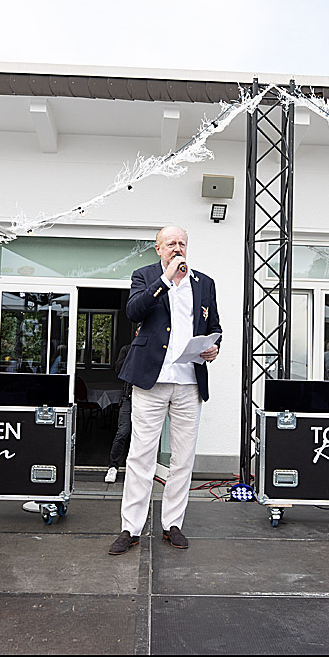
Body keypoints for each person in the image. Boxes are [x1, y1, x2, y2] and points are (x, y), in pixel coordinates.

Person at [108, 226, 221, 555]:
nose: (177, 247)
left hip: (189, 382)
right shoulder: (144, 276)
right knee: (141, 456)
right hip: (151, 379)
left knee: (183, 459)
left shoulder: (204, 283)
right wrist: (166, 281)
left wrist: (214, 347)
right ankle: (130, 528)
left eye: (182, 242)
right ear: (158, 249)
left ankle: (173, 524)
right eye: (171, 243)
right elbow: (133, 311)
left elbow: (214, 326)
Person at [104, 335, 135, 483]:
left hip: (148, 399)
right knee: (122, 432)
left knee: (142, 436)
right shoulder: (127, 349)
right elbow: (118, 369)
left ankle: (136, 469)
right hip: (128, 397)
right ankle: (113, 466)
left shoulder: (151, 350)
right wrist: (134, 351)